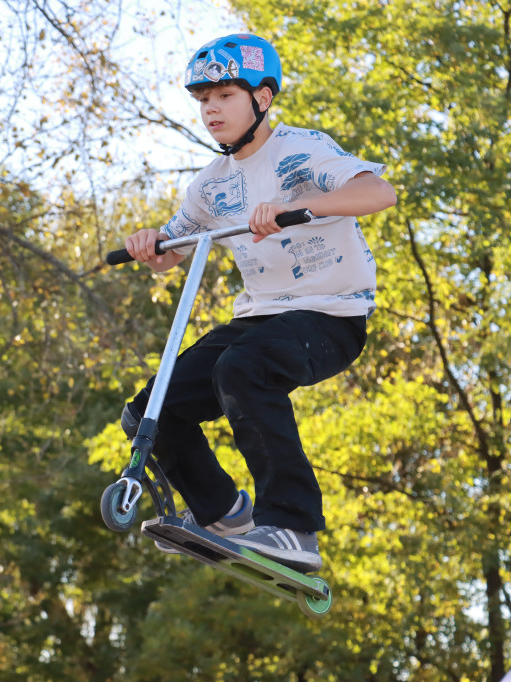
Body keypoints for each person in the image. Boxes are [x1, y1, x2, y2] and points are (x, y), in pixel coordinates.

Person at [120, 33, 396, 572]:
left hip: (332, 313)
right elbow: (173, 250)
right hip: (260, 317)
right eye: (203, 99)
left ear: (262, 98)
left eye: (224, 95)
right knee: (150, 410)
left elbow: (378, 193)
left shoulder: (302, 150)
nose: (211, 109)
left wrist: (299, 207)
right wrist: (150, 244)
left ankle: (293, 527)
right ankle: (226, 516)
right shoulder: (210, 186)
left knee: (242, 369)